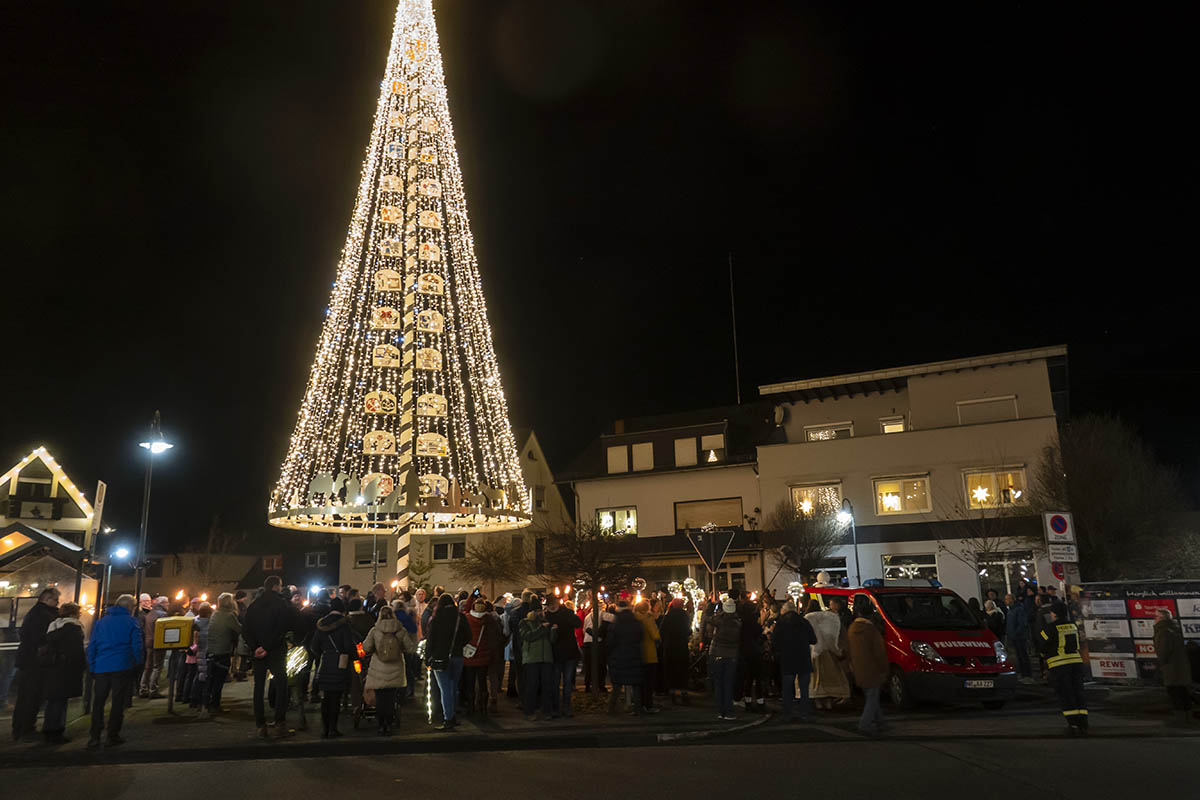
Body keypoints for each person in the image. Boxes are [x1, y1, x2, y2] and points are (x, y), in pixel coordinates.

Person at [86, 594, 144, 749]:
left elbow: (93, 645)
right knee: (117, 702)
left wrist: (92, 665)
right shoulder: (132, 622)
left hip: (101, 666)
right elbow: (136, 645)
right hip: (122, 665)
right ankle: (112, 735)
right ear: (131, 607)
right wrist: (138, 663)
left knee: (98, 702)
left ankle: (94, 736)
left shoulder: (101, 622)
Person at [243, 576, 297, 739]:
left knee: (258, 688)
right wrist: (267, 647)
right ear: (276, 586)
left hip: (258, 652)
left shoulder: (254, 605)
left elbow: (246, 630)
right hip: (275, 651)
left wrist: (256, 647)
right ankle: (280, 722)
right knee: (281, 686)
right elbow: (282, 629)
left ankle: (261, 725)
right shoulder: (281, 604)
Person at [11, 586, 60, 741]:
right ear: (47, 599)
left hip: (27, 660)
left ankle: (19, 728)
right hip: (35, 662)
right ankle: (26, 729)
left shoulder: (35, 613)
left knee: (25, 696)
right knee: (32, 696)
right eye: (56, 600)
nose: (57, 603)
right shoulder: (43, 615)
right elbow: (42, 638)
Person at [361, 605, 414, 735]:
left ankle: (381, 725)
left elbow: (366, 647)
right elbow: (410, 648)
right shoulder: (401, 630)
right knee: (391, 698)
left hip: (378, 669)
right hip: (395, 669)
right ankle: (389, 724)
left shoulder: (375, 630)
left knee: (380, 699)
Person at [310, 597, 358, 738]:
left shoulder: (321, 625)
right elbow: (348, 645)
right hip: (340, 663)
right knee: (336, 698)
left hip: (325, 663)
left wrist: (324, 652)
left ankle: (324, 729)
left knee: (326, 698)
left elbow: (314, 646)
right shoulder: (344, 625)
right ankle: (333, 728)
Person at [1038, 600, 1086, 736]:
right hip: (1076, 663)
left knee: (1066, 695)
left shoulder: (1050, 628)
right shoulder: (1073, 625)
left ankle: (1073, 724)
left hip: (1059, 665)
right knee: (1078, 693)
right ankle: (1083, 722)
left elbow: (1042, 645)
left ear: (1054, 614)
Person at [41, 602, 86, 744]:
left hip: (52, 668)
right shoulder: (74, 628)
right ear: (73, 614)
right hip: (67, 669)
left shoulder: (53, 625)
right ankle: (57, 731)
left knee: (53, 700)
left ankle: (48, 730)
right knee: (61, 702)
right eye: (78, 612)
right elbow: (76, 652)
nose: (80, 615)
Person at [425, 593, 469, 730]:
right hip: (457, 656)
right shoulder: (460, 618)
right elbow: (468, 636)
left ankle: (448, 718)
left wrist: (427, 657)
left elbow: (430, 640)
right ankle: (453, 715)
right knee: (454, 687)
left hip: (440, 657)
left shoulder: (436, 618)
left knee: (445, 688)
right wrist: (458, 645)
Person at [848, 596, 887, 737]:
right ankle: (865, 724)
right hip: (873, 668)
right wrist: (884, 668)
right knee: (872, 697)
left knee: (871, 696)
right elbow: (879, 652)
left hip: (858, 668)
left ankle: (880, 722)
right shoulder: (871, 630)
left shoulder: (852, 629)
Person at [772, 601, 817, 722]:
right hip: (803, 659)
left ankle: (787, 713)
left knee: (787, 688)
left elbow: (774, 642)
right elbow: (813, 640)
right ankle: (805, 713)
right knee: (804, 689)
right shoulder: (804, 622)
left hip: (787, 659)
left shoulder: (781, 623)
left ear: (785, 610)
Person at [1152, 608, 1194, 726]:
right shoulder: (1174, 628)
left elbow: (1163, 652)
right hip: (1180, 667)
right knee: (1182, 692)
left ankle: (1180, 720)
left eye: (1155, 616)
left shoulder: (1164, 631)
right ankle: (1187, 719)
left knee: (1175, 693)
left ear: (1162, 618)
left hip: (1171, 668)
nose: (1154, 619)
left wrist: (1160, 665)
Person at [805, 598, 850, 709]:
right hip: (827, 653)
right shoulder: (828, 620)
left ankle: (818, 701)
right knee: (829, 678)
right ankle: (828, 701)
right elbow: (831, 637)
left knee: (816, 679)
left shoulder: (808, 619)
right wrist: (837, 651)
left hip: (813, 653)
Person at [704, 596, 742, 721]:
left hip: (716, 653)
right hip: (731, 655)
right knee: (728, 684)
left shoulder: (719, 620)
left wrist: (711, 606)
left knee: (718, 683)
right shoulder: (737, 623)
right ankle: (729, 711)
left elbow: (707, 617)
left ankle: (720, 710)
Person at [544, 594, 581, 717]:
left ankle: (566, 707)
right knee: (555, 683)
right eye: (549, 605)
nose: (551, 607)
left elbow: (577, 623)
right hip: (554, 654)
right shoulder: (545, 616)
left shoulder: (566, 613)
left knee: (567, 683)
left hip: (568, 652)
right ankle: (556, 708)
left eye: (553, 604)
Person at [606, 599, 645, 716]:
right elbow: (641, 637)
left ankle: (611, 709)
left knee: (617, 685)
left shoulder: (615, 624)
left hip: (619, 657)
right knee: (636, 684)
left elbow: (610, 642)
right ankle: (638, 709)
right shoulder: (637, 623)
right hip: (634, 656)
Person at [518, 597, 555, 720]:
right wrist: (542, 629)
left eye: (540, 610)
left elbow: (552, 640)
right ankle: (529, 711)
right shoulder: (525, 623)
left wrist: (553, 631)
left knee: (546, 685)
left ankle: (546, 710)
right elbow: (528, 637)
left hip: (546, 658)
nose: (540, 613)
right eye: (537, 611)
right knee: (531, 685)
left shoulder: (546, 622)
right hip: (532, 659)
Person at [463, 598, 501, 715]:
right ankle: (483, 708)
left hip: (470, 657)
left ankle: (471, 707)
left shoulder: (468, 619)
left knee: (470, 683)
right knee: (483, 682)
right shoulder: (489, 620)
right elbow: (495, 637)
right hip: (484, 657)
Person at [206, 593, 241, 712]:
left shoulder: (215, 614)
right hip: (222, 651)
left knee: (211, 679)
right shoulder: (229, 616)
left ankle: (208, 703)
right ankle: (215, 705)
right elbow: (239, 629)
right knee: (219, 680)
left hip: (211, 650)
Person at [660, 597, 692, 705]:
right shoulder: (684, 616)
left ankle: (672, 692)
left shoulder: (668, 616)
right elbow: (688, 630)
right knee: (682, 669)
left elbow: (662, 630)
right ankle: (684, 692)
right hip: (682, 646)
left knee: (671, 669)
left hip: (670, 646)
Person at [738, 598, 767, 713]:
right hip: (756, 653)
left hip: (744, 653)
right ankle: (760, 701)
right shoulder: (755, 624)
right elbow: (760, 636)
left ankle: (748, 701)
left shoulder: (741, 623)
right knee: (758, 678)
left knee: (748, 678)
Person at [633, 600, 662, 714]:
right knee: (649, 682)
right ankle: (648, 705)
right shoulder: (647, 618)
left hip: (637, 654)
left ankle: (639, 704)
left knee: (639, 682)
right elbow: (655, 635)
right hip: (649, 653)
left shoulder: (633, 618)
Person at [582, 601, 614, 693]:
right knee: (600, 665)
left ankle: (587, 685)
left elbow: (584, 629)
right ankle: (601, 685)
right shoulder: (602, 614)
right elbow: (614, 618)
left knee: (588, 665)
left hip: (587, 642)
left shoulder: (587, 617)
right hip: (597, 642)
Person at [189, 602, 213, 717]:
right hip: (207, 653)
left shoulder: (194, 622)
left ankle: (194, 700)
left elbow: (194, 640)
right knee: (205, 678)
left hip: (199, 652)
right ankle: (203, 702)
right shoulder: (211, 624)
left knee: (199, 676)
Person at [1004, 593, 1032, 679]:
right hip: (1014, 637)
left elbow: (1022, 623)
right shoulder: (1011, 610)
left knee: (1023, 655)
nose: (1005, 601)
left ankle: (1026, 674)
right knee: (1019, 656)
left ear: (1012, 599)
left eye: (1007, 599)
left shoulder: (1018, 609)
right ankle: (1023, 673)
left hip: (1020, 637)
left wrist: (1015, 633)